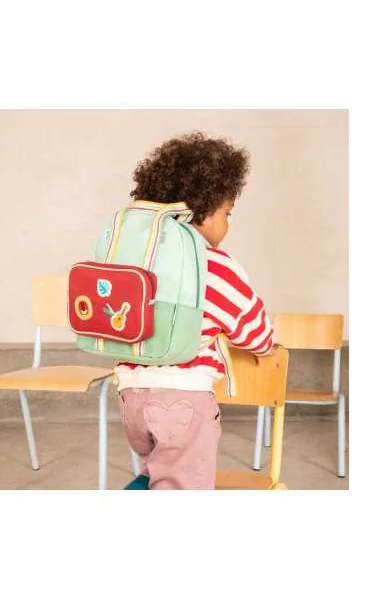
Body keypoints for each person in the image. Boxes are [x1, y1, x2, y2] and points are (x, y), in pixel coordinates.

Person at [117, 132, 274, 490]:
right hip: (183, 402)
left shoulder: (138, 262)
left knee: (154, 475)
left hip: (130, 398)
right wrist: (267, 345)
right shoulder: (213, 266)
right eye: (227, 213)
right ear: (203, 211)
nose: (227, 223)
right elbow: (257, 335)